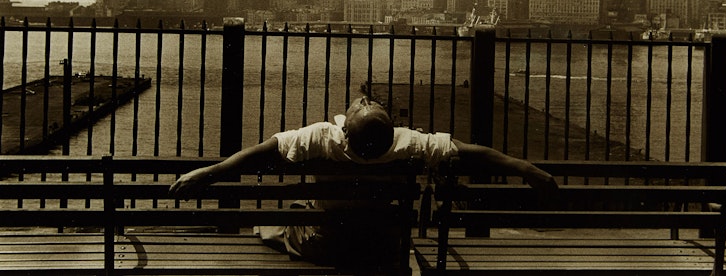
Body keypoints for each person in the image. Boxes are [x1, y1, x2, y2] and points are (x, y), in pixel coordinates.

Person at [168, 94, 558, 268]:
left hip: (329, 245)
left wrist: (209, 172)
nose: (360, 100)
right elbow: (473, 151)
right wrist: (528, 169)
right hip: (381, 246)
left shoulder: (323, 136)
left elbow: (264, 149)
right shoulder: (407, 143)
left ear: (347, 133)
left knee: (279, 220)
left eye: (359, 105)